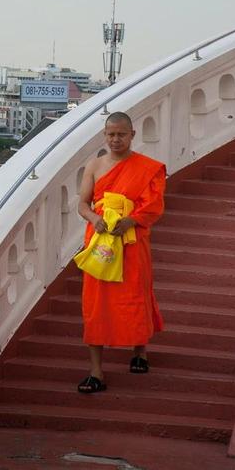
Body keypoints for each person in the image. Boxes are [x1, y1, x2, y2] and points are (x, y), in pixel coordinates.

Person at [76, 111, 166, 393]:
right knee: (95, 304)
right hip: (101, 243)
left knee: (136, 294)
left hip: (130, 241)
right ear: (105, 136)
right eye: (111, 134)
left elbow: (153, 207)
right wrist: (94, 219)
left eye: (121, 134)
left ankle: (140, 350)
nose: (116, 139)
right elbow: (82, 204)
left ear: (132, 135)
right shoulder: (95, 165)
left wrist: (132, 220)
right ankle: (96, 371)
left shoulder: (147, 167)